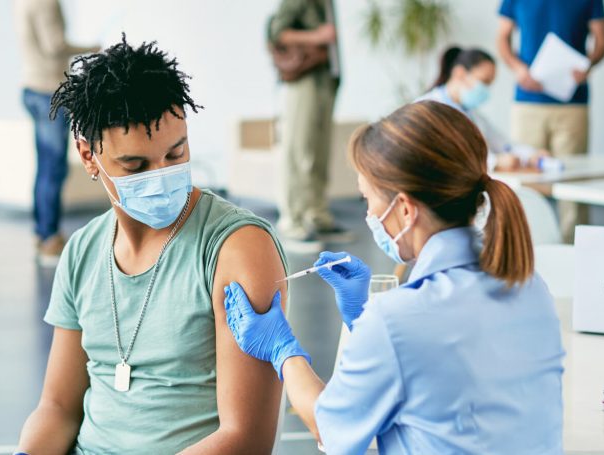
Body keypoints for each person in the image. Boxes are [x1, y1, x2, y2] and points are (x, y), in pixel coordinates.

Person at [224, 101, 565, 454]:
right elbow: (439, 376)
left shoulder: (398, 321)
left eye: (367, 198)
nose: (368, 213)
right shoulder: (531, 287)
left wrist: (281, 348)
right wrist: (362, 319)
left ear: (404, 209)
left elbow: (330, 430)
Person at [16, 36, 286, 454]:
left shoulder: (237, 249)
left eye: (176, 154)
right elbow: (57, 407)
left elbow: (245, 440)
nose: (161, 175)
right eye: (136, 165)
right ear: (89, 156)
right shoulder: (82, 251)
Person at [496, 0, 604, 242]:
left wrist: (588, 65)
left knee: (574, 181)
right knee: (524, 180)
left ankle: (574, 249)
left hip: (572, 103)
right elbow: (502, 38)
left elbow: (601, 41)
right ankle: (524, 248)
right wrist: (518, 69)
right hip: (528, 102)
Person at [14, 0, 99, 266]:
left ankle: (42, 234)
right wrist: (92, 48)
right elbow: (55, 45)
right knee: (53, 168)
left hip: (32, 88)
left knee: (45, 167)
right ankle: (50, 239)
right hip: (48, 91)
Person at [269, 0, 351, 252]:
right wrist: (317, 36)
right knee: (296, 150)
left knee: (318, 152)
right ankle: (291, 223)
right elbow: (278, 31)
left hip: (324, 79)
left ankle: (317, 216)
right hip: (303, 79)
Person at [415, 47, 551, 172]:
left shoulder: (472, 114)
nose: (486, 90)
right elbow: (445, 158)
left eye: (489, 84)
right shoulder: (426, 108)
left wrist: (531, 155)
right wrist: (495, 162)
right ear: (460, 73)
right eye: (484, 82)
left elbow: (504, 145)